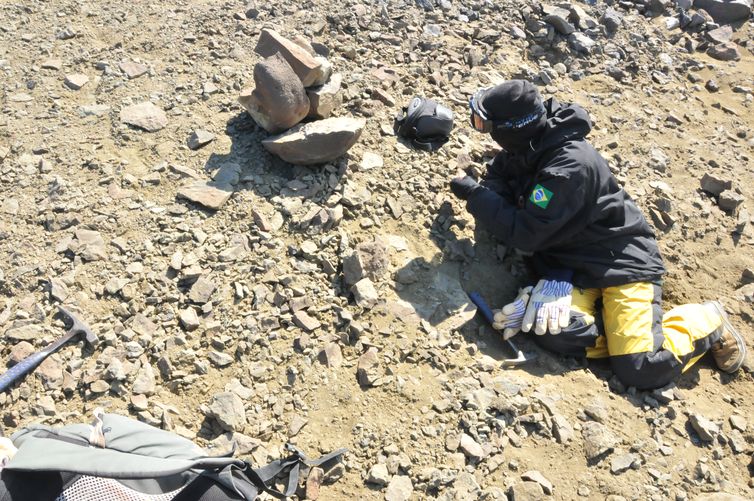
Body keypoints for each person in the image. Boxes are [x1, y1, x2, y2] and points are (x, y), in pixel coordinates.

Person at [449, 79, 747, 390]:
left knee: (639, 368)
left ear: (514, 126)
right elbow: (501, 177)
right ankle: (622, 335)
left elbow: (526, 233)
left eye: (484, 124)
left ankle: (708, 320)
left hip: (620, 264)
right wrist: (492, 193)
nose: (481, 129)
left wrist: (476, 196)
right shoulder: (527, 144)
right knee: (548, 329)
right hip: (572, 267)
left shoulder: (567, 167)